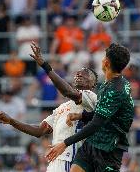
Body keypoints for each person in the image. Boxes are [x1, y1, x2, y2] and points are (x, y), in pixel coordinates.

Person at [0, 44, 98, 172]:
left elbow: (67, 92)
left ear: (93, 84)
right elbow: (39, 131)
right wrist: (11, 121)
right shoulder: (62, 107)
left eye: (84, 74)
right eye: (78, 73)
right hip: (56, 160)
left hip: (70, 159)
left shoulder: (90, 97)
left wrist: (45, 66)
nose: (79, 75)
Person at [45, 43, 134, 172]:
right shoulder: (111, 83)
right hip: (92, 143)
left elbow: (96, 123)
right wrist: (80, 116)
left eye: (104, 58)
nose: (102, 60)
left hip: (109, 148)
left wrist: (65, 143)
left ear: (107, 63)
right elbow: (103, 113)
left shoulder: (116, 89)